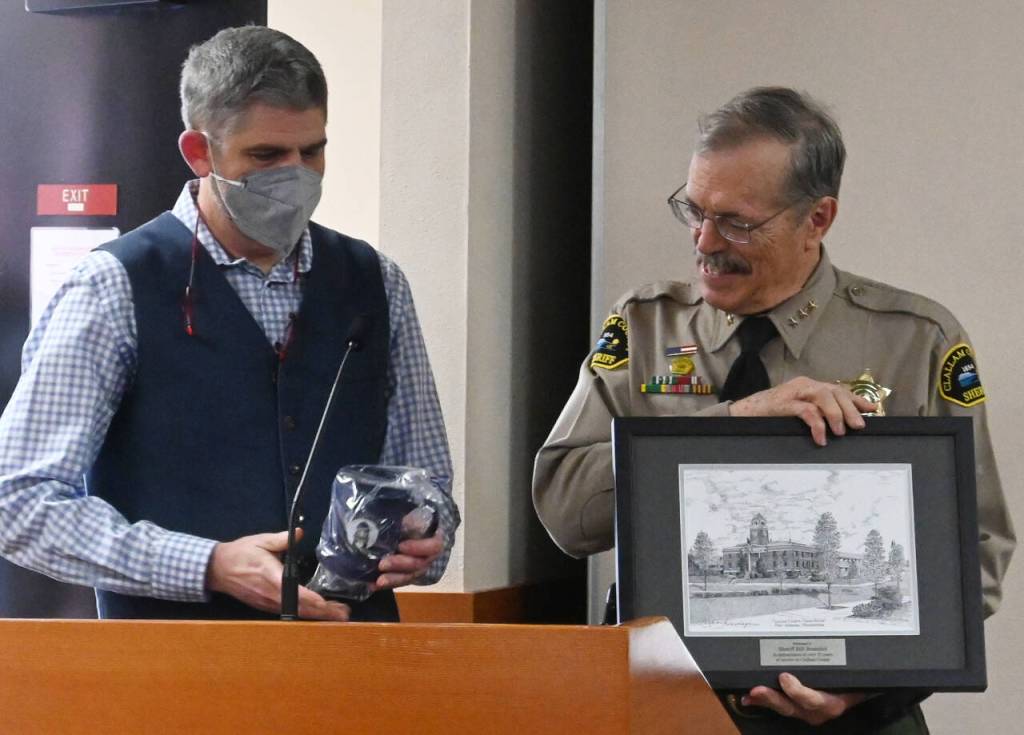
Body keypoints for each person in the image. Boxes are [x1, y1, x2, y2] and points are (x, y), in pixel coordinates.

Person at [533, 87, 1014, 733]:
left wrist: (868, 689)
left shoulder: (914, 340)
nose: (705, 241)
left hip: (855, 721)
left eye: (738, 222)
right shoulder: (646, 327)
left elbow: (978, 548)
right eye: (694, 210)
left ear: (817, 219)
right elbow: (565, 513)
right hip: (661, 709)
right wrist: (728, 423)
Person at [0, 26, 459, 622]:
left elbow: (426, 482)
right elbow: (18, 502)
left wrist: (425, 536)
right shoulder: (112, 287)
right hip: (176, 664)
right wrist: (207, 564)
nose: (296, 175)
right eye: (266, 156)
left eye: (312, 152)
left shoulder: (376, 281)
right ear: (200, 152)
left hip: (354, 655)